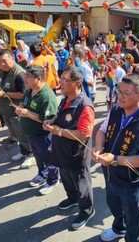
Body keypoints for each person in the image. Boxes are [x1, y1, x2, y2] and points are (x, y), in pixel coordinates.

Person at [93, 74, 139, 242]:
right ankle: (118, 228)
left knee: (132, 213)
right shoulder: (116, 110)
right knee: (113, 203)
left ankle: (132, 238)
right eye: (119, 91)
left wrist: (115, 159)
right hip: (110, 172)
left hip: (131, 180)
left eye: (126, 93)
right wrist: (99, 147)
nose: (120, 96)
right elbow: (102, 130)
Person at [43, 66, 95, 230]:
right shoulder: (66, 98)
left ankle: (87, 211)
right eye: (62, 79)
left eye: (66, 80)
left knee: (82, 184)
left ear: (77, 83)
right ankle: (72, 199)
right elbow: (60, 116)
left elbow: (83, 135)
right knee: (66, 178)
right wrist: (52, 121)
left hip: (76, 154)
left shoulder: (85, 106)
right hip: (62, 151)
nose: (61, 82)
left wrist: (58, 131)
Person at [15, 65, 59, 195]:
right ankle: (42, 174)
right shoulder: (30, 89)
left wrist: (27, 113)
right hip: (32, 134)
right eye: (25, 76)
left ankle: (53, 179)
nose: (25, 79)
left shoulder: (46, 96)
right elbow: (23, 101)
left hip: (43, 135)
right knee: (38, 157)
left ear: (38, 78)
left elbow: (47, 120)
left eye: (28, 77)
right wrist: (20, 108)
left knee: (48, 158)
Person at [0, 49, 34, 169]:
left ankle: (30, 154)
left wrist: (2, 94)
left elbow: (23, 94)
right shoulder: (2, 71)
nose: (1, 64)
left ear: (12, 58)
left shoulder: (19, 74)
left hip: (16, 111)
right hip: (6, 110)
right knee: (16, 134)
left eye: (4, 61)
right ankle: (23, 152)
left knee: (23, 135)